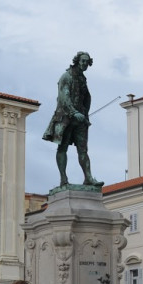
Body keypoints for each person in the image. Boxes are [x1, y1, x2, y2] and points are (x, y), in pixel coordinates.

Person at [42, 51, 103, 187]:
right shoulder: (66, 76)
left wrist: (85, 113)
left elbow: (87, 97)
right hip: (65, 118)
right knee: (62, 147)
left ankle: (88, 178)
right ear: (77, 61)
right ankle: (63, 179)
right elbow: (64, 97)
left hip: (80, 119)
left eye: (87, 62)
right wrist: (74, 112)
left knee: (83, 150)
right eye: (82, 61)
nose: (85, 64)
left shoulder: (82, 78)